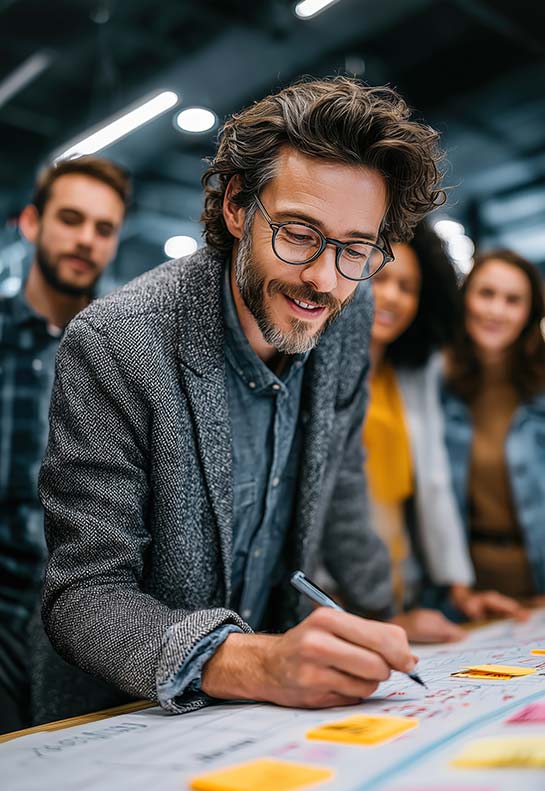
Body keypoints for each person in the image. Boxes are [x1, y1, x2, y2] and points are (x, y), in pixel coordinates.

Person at [33, 77, 445, 724]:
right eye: (299, 233)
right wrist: (258, 663)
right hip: (123, 716)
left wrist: (388, 615)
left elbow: (339, 485)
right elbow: (84, 597)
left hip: (262, 719)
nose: (323, 278)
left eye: (355, 248)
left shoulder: (351, 313)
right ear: (235, 206)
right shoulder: (117, 342)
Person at [0, 156, 129, 733]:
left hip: (89, 625)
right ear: (32, 223)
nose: (86, 240)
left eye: (103, 228)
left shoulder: (126, 356)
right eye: (70, 220)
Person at [363, 225, 523, 644]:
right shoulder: (317, 377)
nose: (393, 297)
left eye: (408, 288)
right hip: (339, 597)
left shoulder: (410, 377)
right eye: (380, 279)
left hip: (402, 590)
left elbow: (432, 487)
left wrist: (457, 590)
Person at [443, 249, 545, 604]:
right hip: (464, 594)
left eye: (513, 300)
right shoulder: (436, 386)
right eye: (486, 293)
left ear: (530, 312)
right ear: (466, 298)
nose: (496, 311)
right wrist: (457, 594)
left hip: (538, 583)